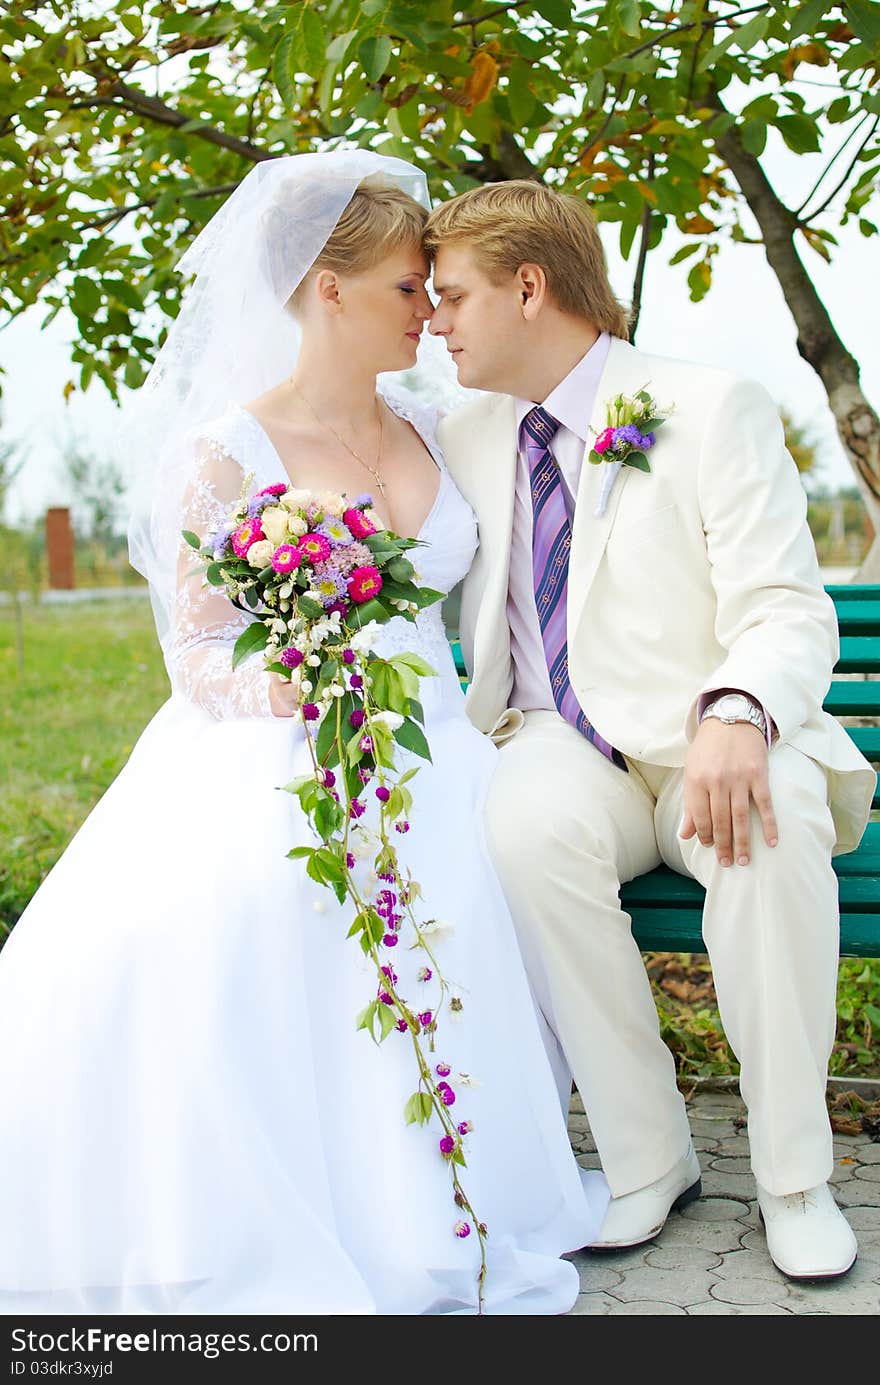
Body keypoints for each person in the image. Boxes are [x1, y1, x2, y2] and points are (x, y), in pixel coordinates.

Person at [0, 152, 608, 1316]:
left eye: (434, 290)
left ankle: (464, 1184)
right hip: (284, 732)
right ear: (326, 289)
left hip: (442, 735)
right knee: (264, 899)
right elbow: (196, 655)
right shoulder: (227, 452)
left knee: (487, 868)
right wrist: (295, 692)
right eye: (402, 287)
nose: (427, 312)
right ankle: (301, 1203)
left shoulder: (443, 426)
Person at [424, 179, 876, 1282]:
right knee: (518, 832)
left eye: (451, 297)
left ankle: (793, 1176)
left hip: (705, 743)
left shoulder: (706, 404)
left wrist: (738, 711)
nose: (433, 323)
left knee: (760, 832)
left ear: (529, 287)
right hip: (557, 744)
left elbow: (786, 604)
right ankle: (648, 1154)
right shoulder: (461, 428)